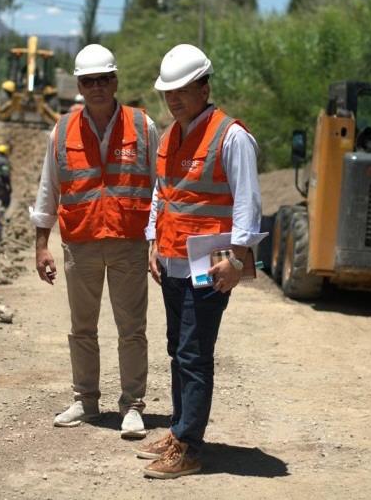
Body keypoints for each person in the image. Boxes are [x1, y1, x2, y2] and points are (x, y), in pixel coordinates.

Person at [136, 44, 263, 479]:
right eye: (167, 92)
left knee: (193, 353)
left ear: (204, 87)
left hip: (211, 263)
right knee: (178, 349)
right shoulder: (170, 135)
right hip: (172, 260)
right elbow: (162, 193)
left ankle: (188, 447)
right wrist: (153, 241)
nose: (172, 99)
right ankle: (179, 430)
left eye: (182, 90)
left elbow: (248, 200)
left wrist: (240, 259)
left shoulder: (231, 136)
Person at [32, 44, 159, 439]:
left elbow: (160, 188)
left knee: (131, 328)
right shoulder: (62, 130)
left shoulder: (142, 126)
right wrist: (41, 244)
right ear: (80, 86)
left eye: (104, 79)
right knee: (81, 327)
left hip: (129, 242)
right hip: (81, 241)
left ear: (115, 81)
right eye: (90, 81)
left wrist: (157, 242)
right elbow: (47, 189)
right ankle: (85, 400)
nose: (98, 87)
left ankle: (133, 405)